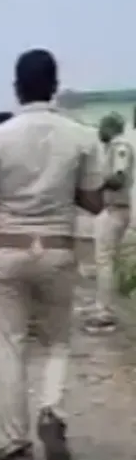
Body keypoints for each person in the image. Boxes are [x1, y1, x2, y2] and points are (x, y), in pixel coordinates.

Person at [0, 49, 105, 460]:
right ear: (55, 86)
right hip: (59, 248)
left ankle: (17, 444)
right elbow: (96, 203)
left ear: (16, 88)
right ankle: (51, 408)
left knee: (9, 346)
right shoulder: (81, 136)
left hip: (10, 248)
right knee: (57, 342)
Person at [83, 112, 133, 332]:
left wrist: (97, 184)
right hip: (115, 209)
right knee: (107, 260)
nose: (99, 132)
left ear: (110, 127)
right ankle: (102, 305)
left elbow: (118, 178)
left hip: (117, 209)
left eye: (102, 127)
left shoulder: (119, 146)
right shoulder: (114, 146)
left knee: (104, 261)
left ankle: (105, 312)